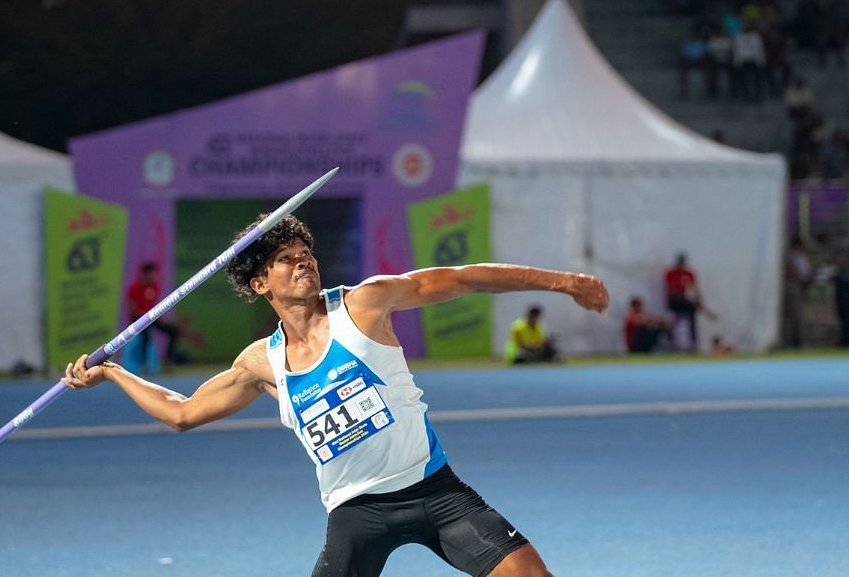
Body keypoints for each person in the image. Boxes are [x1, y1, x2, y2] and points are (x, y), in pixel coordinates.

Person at [64, 214, 608, 577]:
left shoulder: (364, 305)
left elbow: (463, 279)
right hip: (356, 516)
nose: (303, 261)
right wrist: (112, 373)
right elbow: (181, 413)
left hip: (436, 493)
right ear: (260, 284)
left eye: (306, 252)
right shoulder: (261, 362)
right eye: (286, 259)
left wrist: (564, 282)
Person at [126, 262, 184, 367]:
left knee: (174, 330)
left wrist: (159, 319)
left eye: (155, 274)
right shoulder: (134, 288)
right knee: (146, 335)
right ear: (145, 274)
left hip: (152, 318)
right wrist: (146, 319)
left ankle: (168, 360)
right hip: (138, 320)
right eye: (152, 274)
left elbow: (154, 307)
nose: (154, 276)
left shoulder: (155, 287)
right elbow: (133, 310)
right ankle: (143, 364)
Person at [664, 252, 714, 350]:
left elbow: (695, 289)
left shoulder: (689, 273)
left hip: (687, 302)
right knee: (685, 311)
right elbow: (671, 290)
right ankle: (672, 341)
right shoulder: (671, 273)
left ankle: (693, 341)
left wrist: (698, 300)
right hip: (675, 301)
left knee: (692, 312)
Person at [783, 235, 813, 349]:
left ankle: (798, 341)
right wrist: (802, 278)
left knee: (799, 316)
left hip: (801, 286)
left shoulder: (801, 256)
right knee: (793, 316)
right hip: (793, 286)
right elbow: (790, 271)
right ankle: (792, 342)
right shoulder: (791, 257)